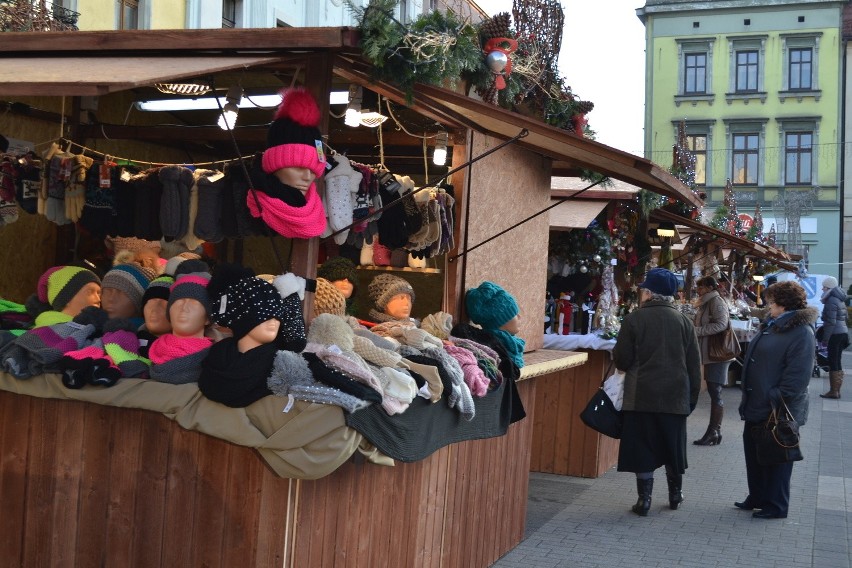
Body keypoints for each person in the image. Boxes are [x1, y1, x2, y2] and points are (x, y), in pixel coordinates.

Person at [612, 267, 701, 516]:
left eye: (644, 289)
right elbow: (694, 366)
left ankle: (644, 501)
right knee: (673, 448)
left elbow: (622, 360)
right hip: (675, 398)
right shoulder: (685, 322)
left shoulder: (633, 320)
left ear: (650, 293)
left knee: (643, 449)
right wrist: (691, 400)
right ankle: (675, 495)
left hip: (640, 397)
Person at [737, 280, 816, 519]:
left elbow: (797, 377)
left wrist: (774, 396)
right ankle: (758, 496)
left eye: (770, 301)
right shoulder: (774, 324)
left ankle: (776, 505)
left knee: (778, 456)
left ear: (782, 304)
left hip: (778, 408)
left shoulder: (800, 331)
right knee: (754, 453)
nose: (767, 305)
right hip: (757, 402)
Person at [693, 275, 734, 446]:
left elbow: (721, 325)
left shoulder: (716, 302)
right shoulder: (706, 302)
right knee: (713, 390)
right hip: (710, 354)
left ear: (710, 287)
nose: (698, 290)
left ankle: (714, 431)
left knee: (715, 391)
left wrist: (697, 331)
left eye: (701, 287)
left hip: (717, 354)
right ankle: (714, 432)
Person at [818, 276, 848, 399]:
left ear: (829, 288)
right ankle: (836, 390)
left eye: (824, 287)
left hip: (835, 334)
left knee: (833, 361)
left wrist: (825, 338)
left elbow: (831, 322)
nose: (822, 288)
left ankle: (834, 391)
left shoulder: (831, 300)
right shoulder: (839, 299)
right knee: (837, 361)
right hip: (842, 332)